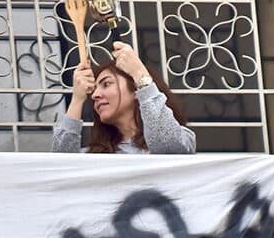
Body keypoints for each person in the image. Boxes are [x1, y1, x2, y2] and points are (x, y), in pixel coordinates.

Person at [51, 41, 196, 154]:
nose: (95, 95)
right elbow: (59, 168)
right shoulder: (93, 157)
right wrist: (77, 99)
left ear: (135, 90)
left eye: (106, 84)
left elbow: (166, 146)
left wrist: (140, 74)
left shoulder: (182, 138)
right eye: (94, 90)